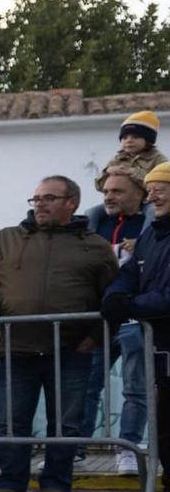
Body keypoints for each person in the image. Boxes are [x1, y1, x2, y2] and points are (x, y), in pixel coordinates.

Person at [0, 175, 120, 492]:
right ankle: (9, 487)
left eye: (49, 198)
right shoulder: (6, 239)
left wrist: (96, 338)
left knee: (66, 425)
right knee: (14, 423)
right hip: (16, 349)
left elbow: (113, 297)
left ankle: (56, 489)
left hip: (72, 352)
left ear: (71, 202)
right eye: (36, 199)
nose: (39, 203)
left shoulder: (95, 245)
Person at [102, 161, 170, 492]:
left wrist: (131, 306)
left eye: (163, 186)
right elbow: (130, 274)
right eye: (152, 187)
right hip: (159, 347)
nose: (154, 192)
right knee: (164, 427)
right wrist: (115, 294)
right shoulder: (151, 235)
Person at [85, 160, 154, 475]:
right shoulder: (94, 222)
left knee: (135, 387)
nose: (108, 196)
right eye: (106, 191)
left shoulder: (151, 226)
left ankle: (127, 449)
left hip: (133, 319)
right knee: (87, 384)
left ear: (140, 192)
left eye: (117, 191)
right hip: (98, 319)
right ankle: (74, 449)